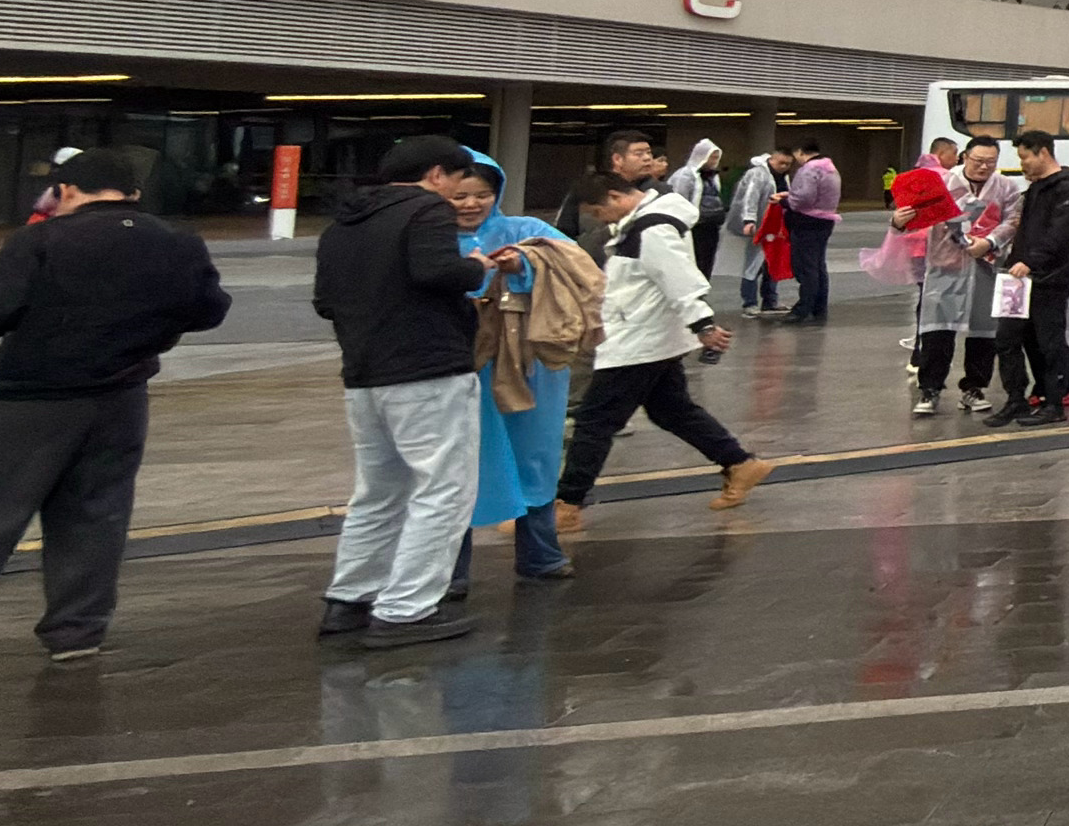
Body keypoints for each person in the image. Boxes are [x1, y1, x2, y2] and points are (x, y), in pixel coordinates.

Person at [0, 147, 227, 687]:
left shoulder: (42, 240)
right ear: (133, 193)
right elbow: (209, 310)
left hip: (29, 400)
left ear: (66, 191)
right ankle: (77, 634)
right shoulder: (177, 241)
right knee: (95, 517)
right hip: (121, 397)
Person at [313, 136, 521, 647]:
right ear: (436, 174)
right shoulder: (426, 210)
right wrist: (478, 266)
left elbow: (324, 301)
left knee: (378, 492)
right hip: (427, 370)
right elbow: (437, 270)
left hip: (364, 374)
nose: (457, 195)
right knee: (443, 490)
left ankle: (349, 599)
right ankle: (406, 609)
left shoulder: (345, 223)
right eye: (456, 181)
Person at [555, 181, 773, 512]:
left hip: (637, 341)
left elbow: (679, 279)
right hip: (649, 337)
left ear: (615, 197)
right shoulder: (644, 225)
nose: (601, 220)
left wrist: (703, 324)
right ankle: (739, 463)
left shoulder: (651, 229)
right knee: (671, 410)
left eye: (599, 212)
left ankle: (567, 503)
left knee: (594, 422)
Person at [454, 155, 593, 583]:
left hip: (531, 366)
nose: (471, 204)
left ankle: (540, 555)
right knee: (458, 464)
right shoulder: (427, 236)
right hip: (463, 365)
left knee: (534, 456)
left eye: (482, 194)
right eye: (459, 196)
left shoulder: (525, 230)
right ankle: (450, 571)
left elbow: (577, 268)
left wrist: (525, 265)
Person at [990, 131, 1069, 423]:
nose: (1022, 164)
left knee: (1049, 343)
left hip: (1049, 279)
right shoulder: (1035, 189)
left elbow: (1061, 234)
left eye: (1025, 157)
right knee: (1007, 338)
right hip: (1018, 278)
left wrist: (1031, 262)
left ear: (1043, 152)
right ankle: (1015, 398)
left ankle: (1054, 404)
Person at [907, 139, 1013, 414]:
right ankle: (930, 389)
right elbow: (914, 218)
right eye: (978, 160)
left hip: (986, 266)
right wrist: (898, 220)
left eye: (991, 162)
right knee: (937, 330)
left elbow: (1013, 220)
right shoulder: (942, 184)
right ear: (965, 157)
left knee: (984, 331)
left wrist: (989, 242)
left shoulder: (1006, 187)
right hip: (945, 267)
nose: (984, 167)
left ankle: (973, 388)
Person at [779, 140, 842, 321]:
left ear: (800, 152)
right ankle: (819, 307)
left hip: (806, 222)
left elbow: (804, 197)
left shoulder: (809, 169)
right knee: (818, 265)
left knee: (805, 267)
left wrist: (786, 201)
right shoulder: (831, 168)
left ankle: (803, 308)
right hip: (825, 220)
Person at [731, 143, 787, 310]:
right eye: (781, 163)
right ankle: (749, 302)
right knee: (753, 265)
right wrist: (749, 220)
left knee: (772, 264)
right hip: (760, 225)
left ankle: (770, 301)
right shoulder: (758, 174)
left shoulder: (783, 177)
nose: (784, 167)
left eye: (788, 164)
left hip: (776, 227)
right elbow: (750, 197)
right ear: (772, 159)